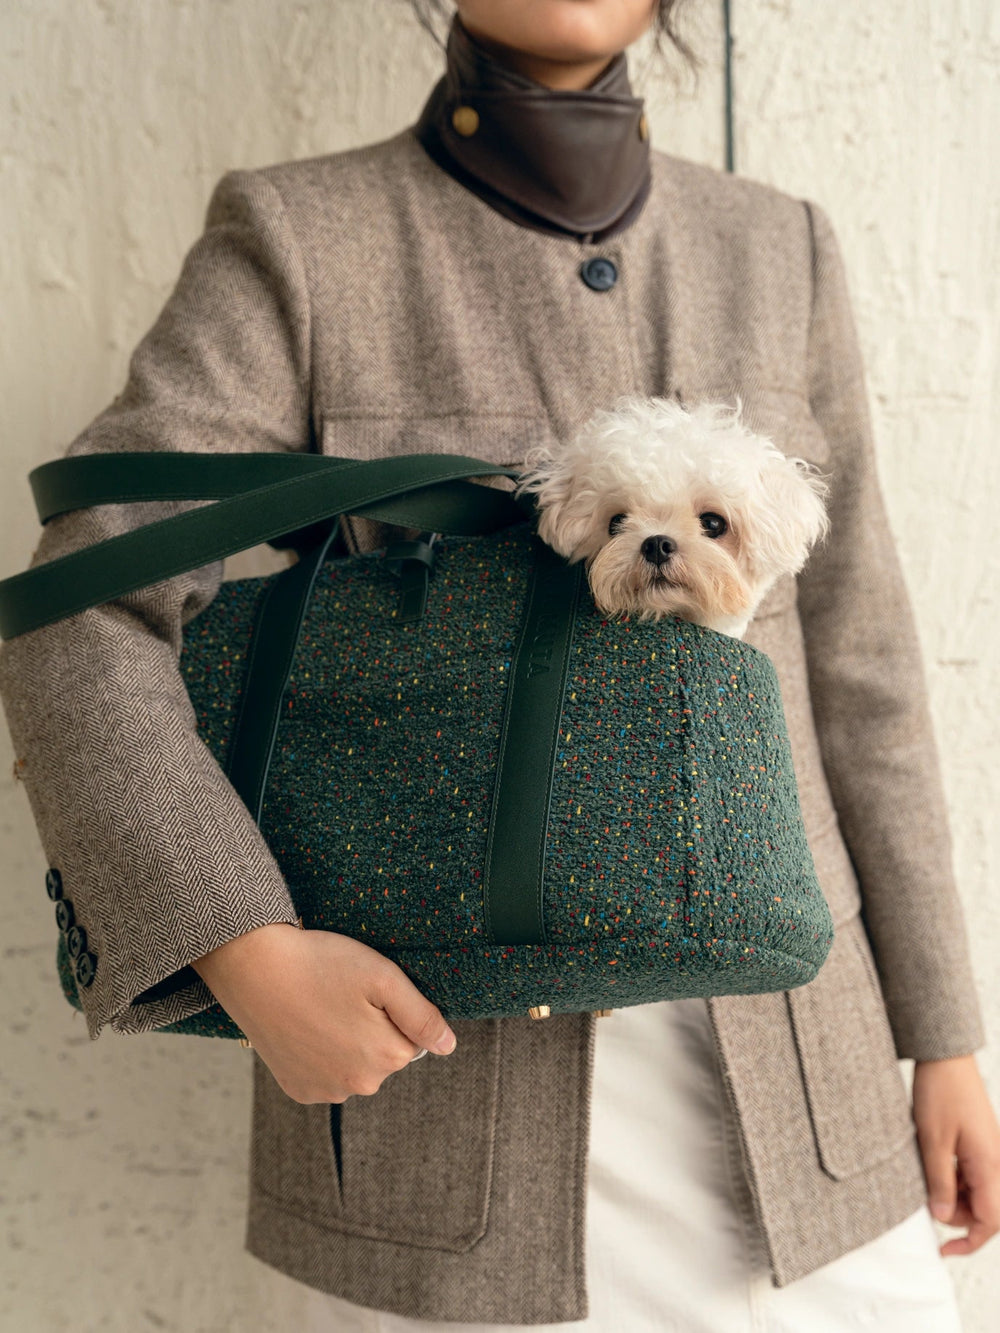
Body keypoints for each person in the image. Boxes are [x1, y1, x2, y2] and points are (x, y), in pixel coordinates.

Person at [1, 1, 998, 1328]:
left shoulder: (781, 247)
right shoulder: (303, 238)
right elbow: (84, 603)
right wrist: (239, 942)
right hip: (445, 1117)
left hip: (811, 1107)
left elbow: (862, 664)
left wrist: (945, 1034)